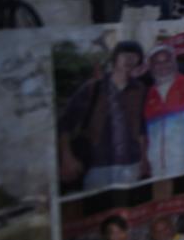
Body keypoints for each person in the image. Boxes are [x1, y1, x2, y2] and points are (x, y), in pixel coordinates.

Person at [58, 41, 149, 191]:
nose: (129, 60)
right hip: (97, 165)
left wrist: (144, 159)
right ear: (115, 58)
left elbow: (141, 128)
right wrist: (67, 157)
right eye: (124, 55)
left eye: (134, 56)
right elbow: (65, 123)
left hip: (131, 163)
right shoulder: (93, 88)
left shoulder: (139, 89)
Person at [143, 45, 184, 177]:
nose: (163, 66)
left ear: (174, 62)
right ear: (151, 67)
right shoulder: (149, 95)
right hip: (156, 166)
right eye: (157, 62)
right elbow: (146, 133)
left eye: (167, 60)